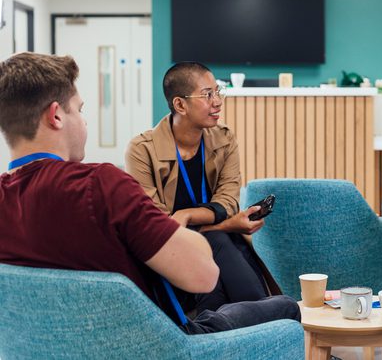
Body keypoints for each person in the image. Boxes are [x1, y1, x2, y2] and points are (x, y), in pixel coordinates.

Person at [0, 52, 299, 335]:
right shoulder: (101, 183)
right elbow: (202, 274)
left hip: (54, 346)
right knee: (284, 307)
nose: (85, 120)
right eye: (79, 109)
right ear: (56, 116)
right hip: (156, 342)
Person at [125, 61, 281, 316]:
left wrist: (187, 215)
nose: (217, 101)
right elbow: (159, 225)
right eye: (208, 94)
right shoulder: (142, 150)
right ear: (180, 105)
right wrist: (226, 225)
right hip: (170, 251)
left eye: (218, 91)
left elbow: (228, 201)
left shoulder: (224, 139)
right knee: (254, 300)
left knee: (220, 261)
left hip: (220, 246)